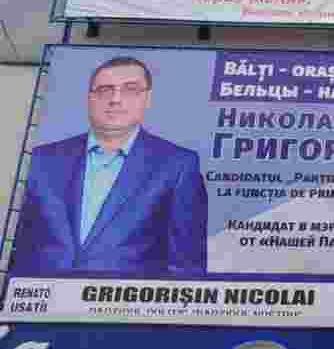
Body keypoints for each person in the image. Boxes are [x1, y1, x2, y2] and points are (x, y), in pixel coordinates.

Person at [12, 56, 208, 277]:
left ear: (147, 98)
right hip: (41, 294)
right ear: (89, 98)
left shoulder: (178, 165)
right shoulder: (42, 159)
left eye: (130, 89)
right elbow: (17, 244)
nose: (115, 99)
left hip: (124, 298)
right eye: (105, 90)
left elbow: (186, 267)